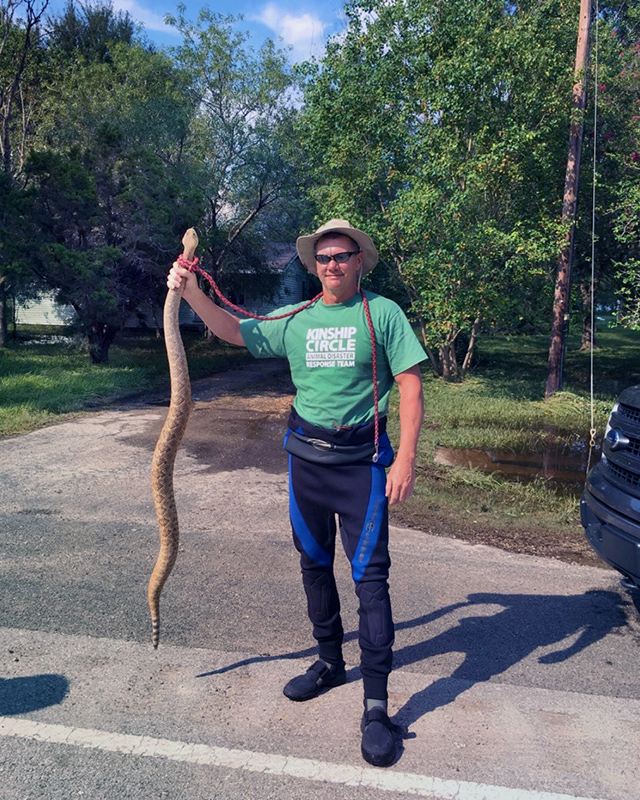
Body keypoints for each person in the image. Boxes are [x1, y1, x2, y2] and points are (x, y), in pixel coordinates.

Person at [167, 219, 426, 767]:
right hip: (305, 464)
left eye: (343, 255)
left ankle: (376, 705)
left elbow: (410, 384)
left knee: (370, 580)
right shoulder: (298, 319)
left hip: (363, 468)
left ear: (360, 261)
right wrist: (189, 291)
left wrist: (404, 457)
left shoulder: (382, 314)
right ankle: (329, 661)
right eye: (324, 257)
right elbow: (235, 330)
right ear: (315, 265)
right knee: (313, 565)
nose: (333, 264)